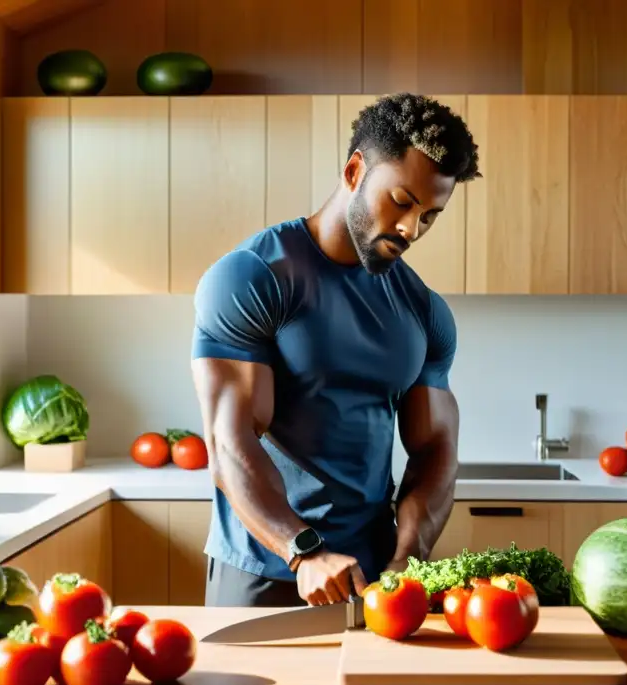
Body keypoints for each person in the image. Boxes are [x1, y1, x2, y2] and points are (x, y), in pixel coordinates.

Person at [190, 93, 481, 608]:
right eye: (402, 201)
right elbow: (230, 441)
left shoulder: (423, 311)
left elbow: (436, 449)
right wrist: (303, 551)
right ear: (354, 172)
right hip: (264, 567)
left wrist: (406, 559)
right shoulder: (254, 277)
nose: (412, 229)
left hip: (370, 578)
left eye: (430, 215)